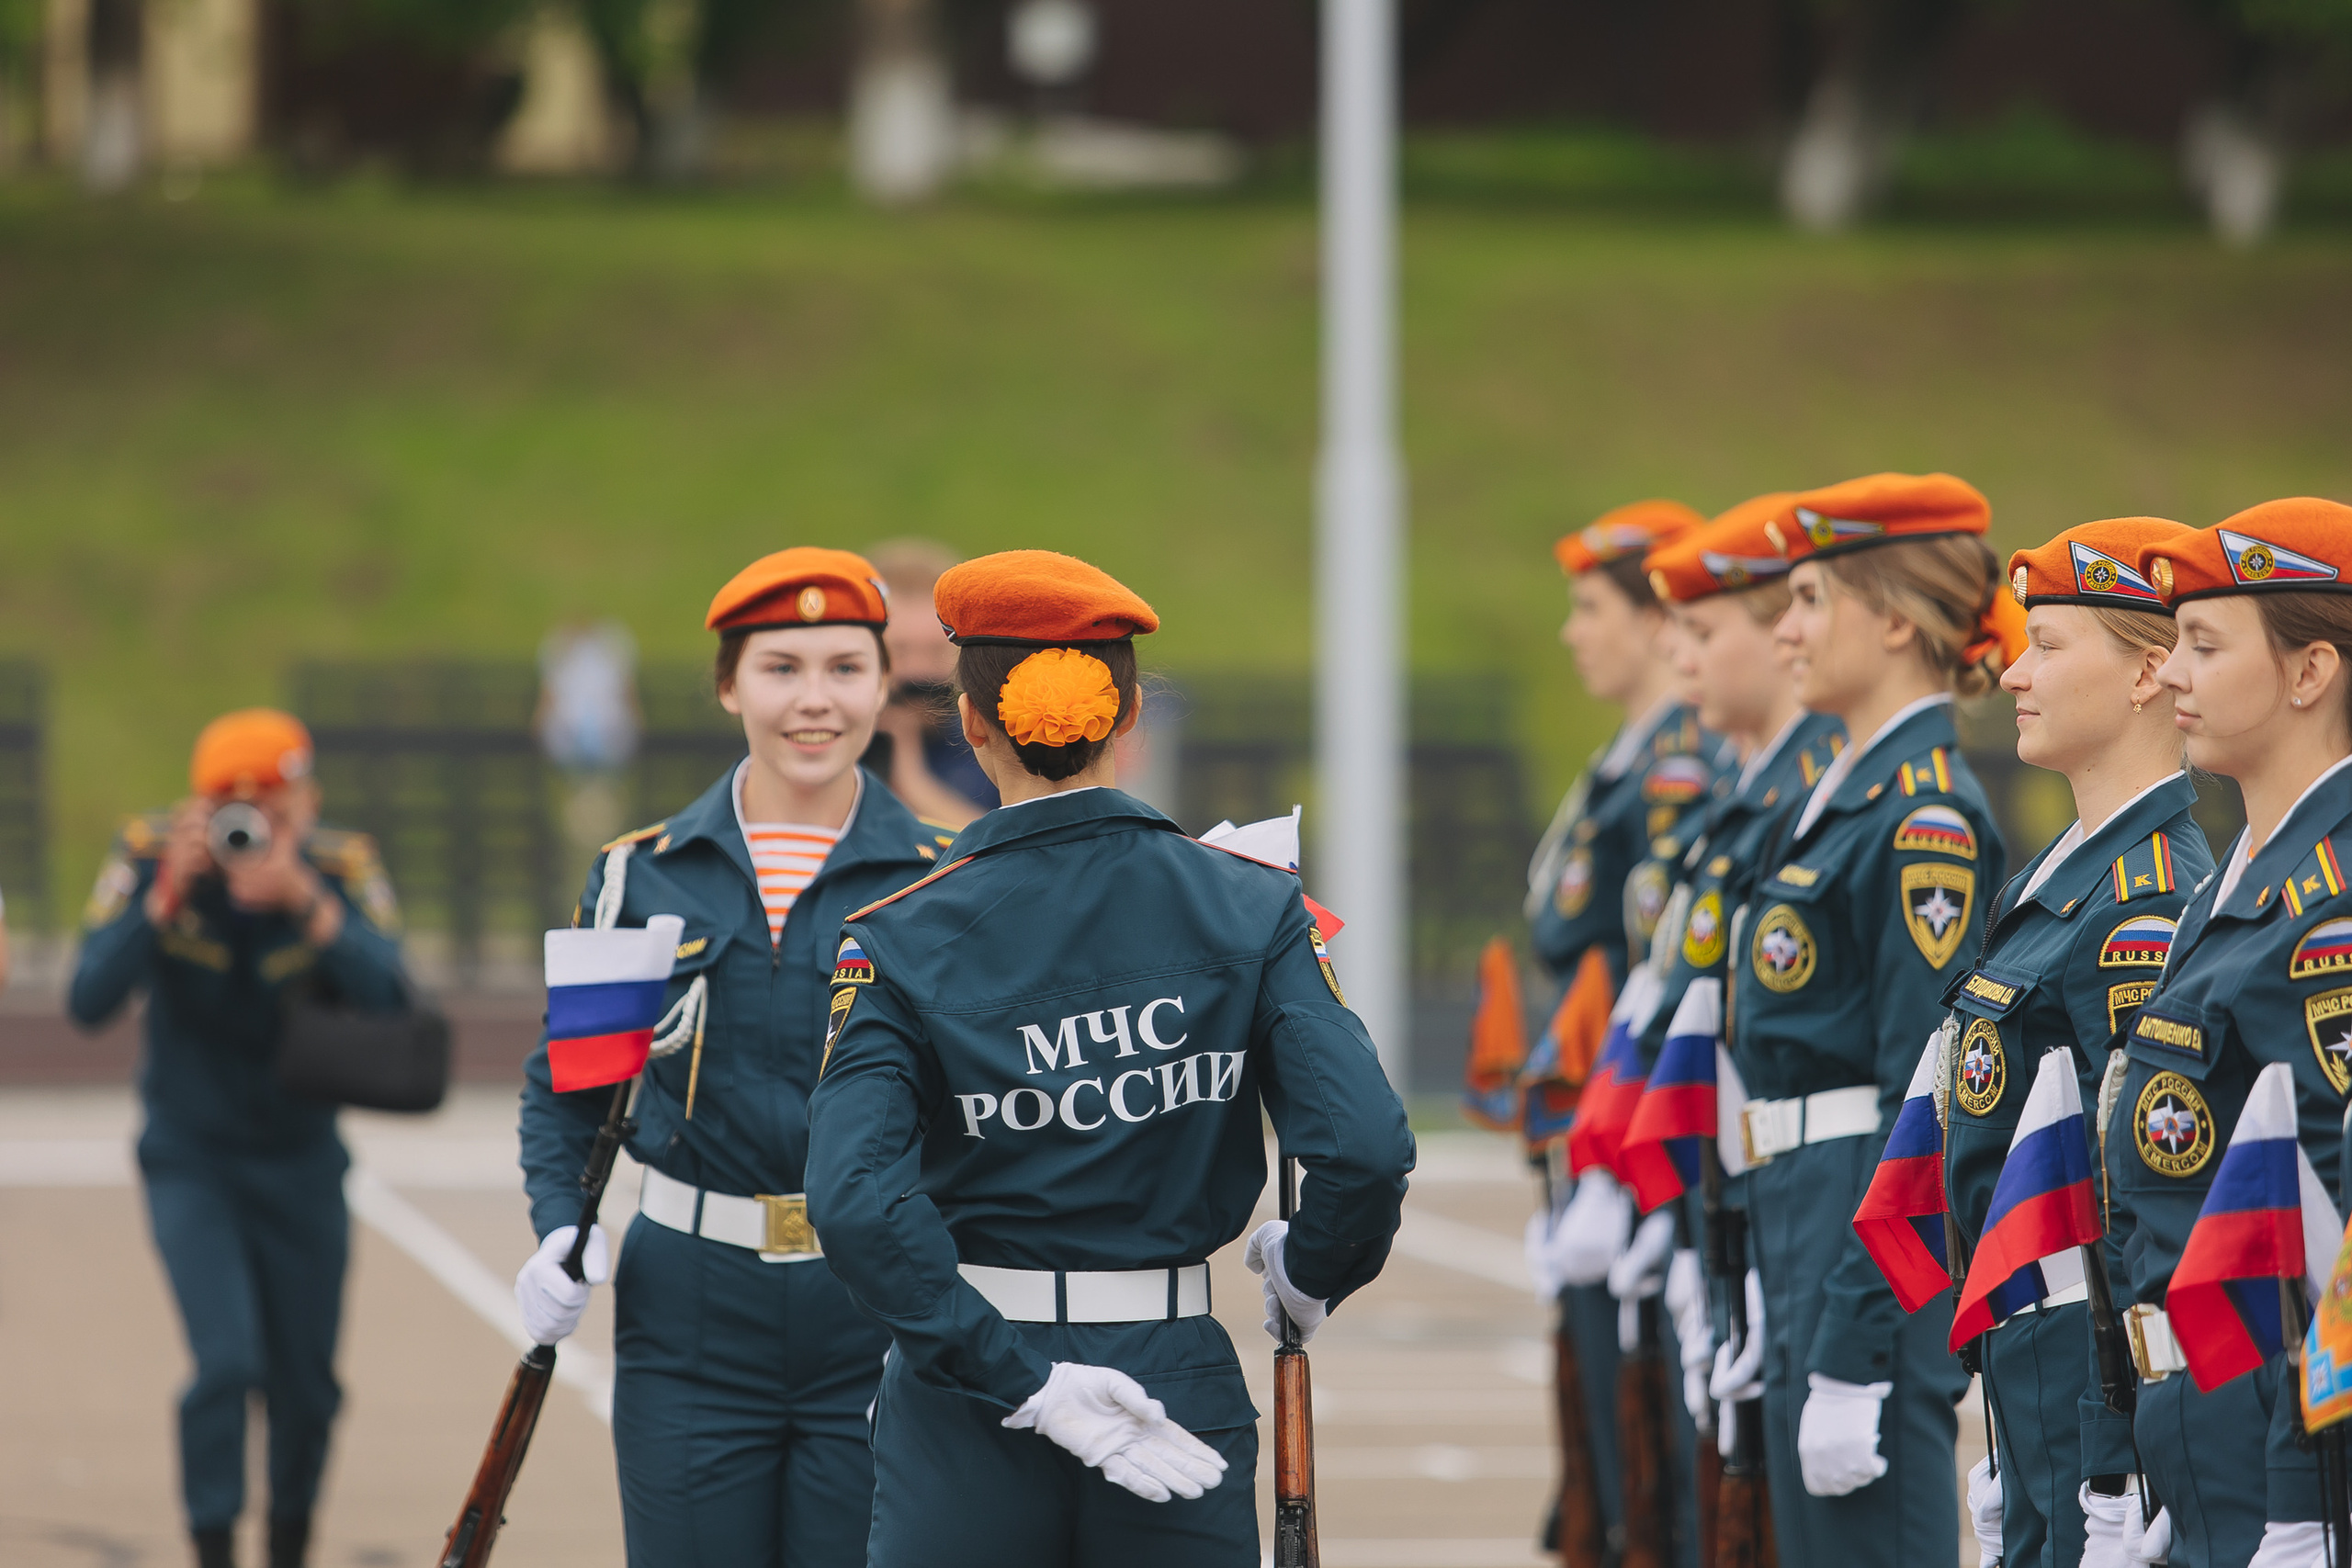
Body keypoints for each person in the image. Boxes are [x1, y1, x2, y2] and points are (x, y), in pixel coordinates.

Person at [803, 548, 1414, 1567]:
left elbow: (855, 1202)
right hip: (1173, 1374)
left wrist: (1023, 1380)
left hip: (970, 1390)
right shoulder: (1252, 902)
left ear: (971, 720)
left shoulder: (896, 933)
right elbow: (1359, 1147)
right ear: (1129, 717)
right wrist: (1310, 1273)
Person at [514, 547, 954, 1568]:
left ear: (886, 687)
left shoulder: (941, 882)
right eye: (780, 667)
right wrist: (555, 1229)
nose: (815, 701)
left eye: (846, 668)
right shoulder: (641, 876)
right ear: (728, 687)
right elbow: (571, 1087)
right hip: (691, 1319)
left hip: (878, 1314)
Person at [1729, 471, 2015, 1566]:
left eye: (1809, 599)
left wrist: (1854, 1343)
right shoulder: (1841, 791)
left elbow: (1924, 1101)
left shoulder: (1922, 815)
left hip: (1864, 1237)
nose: (1785, 629)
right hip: (1803, 1215)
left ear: (1893, 618)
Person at [1931, 518, 2214, 1568]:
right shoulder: (2058, 876)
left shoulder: (2145, 904)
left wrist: (2112, 1463)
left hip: (2082, 1370)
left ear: (2149, 672)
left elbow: (2129, 1209)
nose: (2011, 672)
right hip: (2030, 1363)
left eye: (2048, 643)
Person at [67, 709, 411, 1568]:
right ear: (197, 806)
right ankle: (212, 1546)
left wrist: (310, 905)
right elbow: (85, 1000)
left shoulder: (338, 866)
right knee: (224, 1364)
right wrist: (161, 900)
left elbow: (398, 1001)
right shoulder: (151, 853)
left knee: (308, 1389)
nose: (253, 830)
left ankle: (289, 1544)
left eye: (274, 810)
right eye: (233, 809)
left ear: (308, 803)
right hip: (193, 1155)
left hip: (302, 1158)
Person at [2098, 498, 2352, 1568]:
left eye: (2204, 644)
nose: (2173, 676)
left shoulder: (2326, 915)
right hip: (2197, 1437)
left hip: (2280, 1456)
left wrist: (2300, 1501)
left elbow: (2337, 1233)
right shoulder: (2231, 888)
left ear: (2308, 673)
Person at [1616, 493, 1849, 1529]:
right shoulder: (1748, 797)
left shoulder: (1815, 798)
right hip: (1734, 1206)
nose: (1681, 659)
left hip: (1785, 1209)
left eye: (1703, 632)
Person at [1521, 500, 1734, 1556]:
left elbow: (1650, 957)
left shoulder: (1677, 767)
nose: (1573, 631)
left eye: (1590, 608)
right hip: (1596, 1125)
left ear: (1658, 626)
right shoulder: (1633, 754)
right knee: (1606, 1431)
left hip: (1636, 1134)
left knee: (1649, 1443)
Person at [865, 537, 998, 824]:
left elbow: (1008, 855)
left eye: (935, 651)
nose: (919, 672)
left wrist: (910, 774)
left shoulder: (992, 746)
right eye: (899, 651)